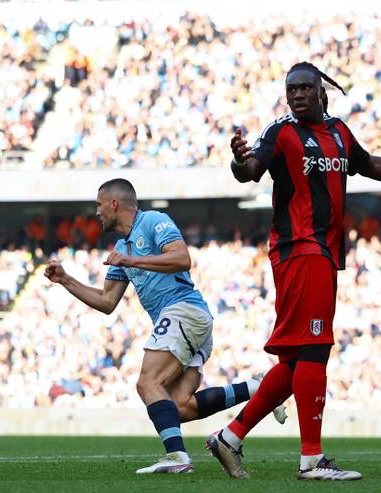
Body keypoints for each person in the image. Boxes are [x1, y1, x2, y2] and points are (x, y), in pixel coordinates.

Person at [208, 61, 381, 481]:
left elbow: (369, 164)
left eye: (304, 88)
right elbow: (251, 171)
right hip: (299, 250)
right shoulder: (281, 132)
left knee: (298, 359)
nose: (296, 95)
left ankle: (230, 436)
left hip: (326, 253)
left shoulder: (338, 132)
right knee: (314, 349)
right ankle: (311, 460)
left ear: (321, 91)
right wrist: (239, 161)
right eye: (290, 89)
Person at [45, 178, 283, 474]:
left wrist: (132, 259)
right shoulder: (121, 248)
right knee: (178, 406)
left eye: (98, 205)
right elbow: (107, 302)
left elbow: (183, 259)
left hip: (184, 309)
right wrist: (65, 280)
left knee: (148, 383)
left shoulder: (153, 221)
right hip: (186, 319)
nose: (96, 212)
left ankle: (177, 457)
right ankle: (259, 387)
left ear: (114, 203)